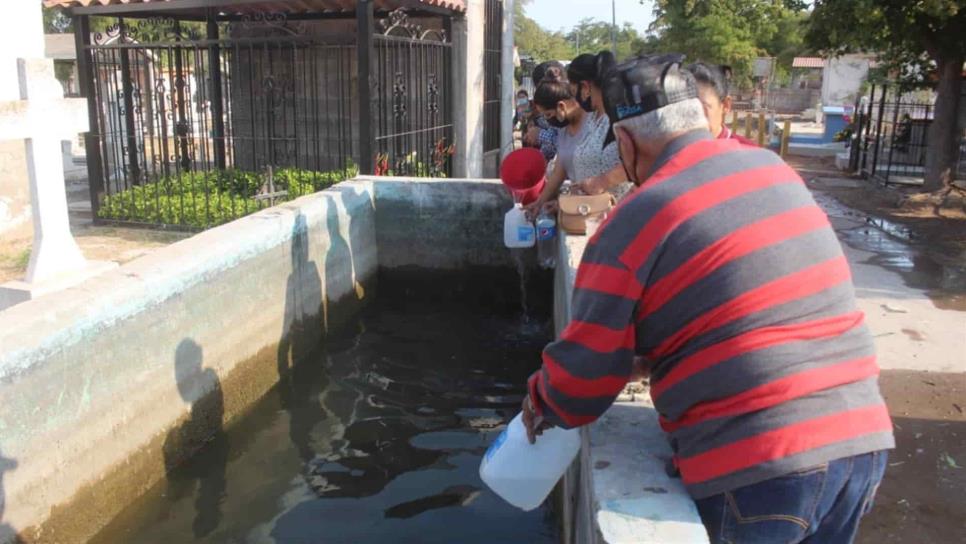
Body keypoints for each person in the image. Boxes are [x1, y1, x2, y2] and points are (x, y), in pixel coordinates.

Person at [521, 53, 893, 544]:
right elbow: (750, 305)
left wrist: (542, 399)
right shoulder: (773, 170)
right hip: (860, 443)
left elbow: (584, 378)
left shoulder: (635, 218)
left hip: (759, 466)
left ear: (627, 142)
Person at [564, 52, 632, 200]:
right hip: (588, 214)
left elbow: (642, 162)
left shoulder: (621, 117)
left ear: (586, 87)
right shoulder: (593, 119)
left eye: (575, 91)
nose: (576, 99)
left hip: (617, 212)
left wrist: (604, 181)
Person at [687, 62, 756, 145]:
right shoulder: (672, 153)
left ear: (726, 105)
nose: (692, 118)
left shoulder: (748, 153)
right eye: (685, 108)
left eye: (702, 108)